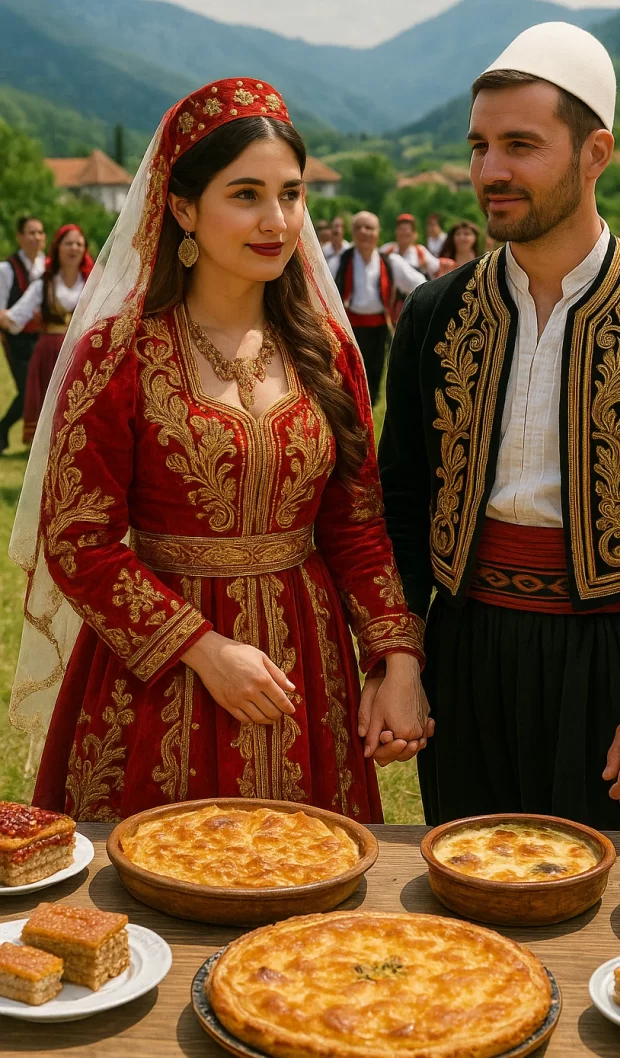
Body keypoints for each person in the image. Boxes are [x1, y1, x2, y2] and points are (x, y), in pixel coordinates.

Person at [379, 22, 620, 834]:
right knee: (476, 913)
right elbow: (400, 507)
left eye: (521, 145)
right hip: (468, 657)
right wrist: (401, 658)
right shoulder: (434, 314)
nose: (491, 171)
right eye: (480, 146)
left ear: (596, 153)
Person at [9, 78, 431, 822]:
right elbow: (81, 543)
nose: (277, 221)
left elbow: (356, 525)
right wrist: (203, 651)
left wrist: (395, 659)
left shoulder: (326, 351)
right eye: (246, 195)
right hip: (160, 684)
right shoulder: (120, 355)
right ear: (180, 209)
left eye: (291, 194)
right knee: (161, 891)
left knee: (309, 910)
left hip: (308, 666)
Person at [0, 225, 93, 444]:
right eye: (68, 243)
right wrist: (6, 317)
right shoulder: (45, 283)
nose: (74, 248)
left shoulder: (92, 282)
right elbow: (16, 317)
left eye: (79, 244)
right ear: (58, 248)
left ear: (84, 249)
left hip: (81, 352)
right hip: (50, 352)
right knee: (50, 404)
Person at [334, 211, 425, 405]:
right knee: (346, 376)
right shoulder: (340, 261)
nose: (364, 232)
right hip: (348, 329)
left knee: (373, 374)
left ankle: (368, 413)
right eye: (358, 228)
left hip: (379, 328)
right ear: (352, 232)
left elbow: (420, 285)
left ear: (378, 233)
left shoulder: (391, 262)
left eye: (369, 228)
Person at [0, 216, 46, 452]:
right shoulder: (6, 269)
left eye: (40, 232)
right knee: (28, 389)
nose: (36, 237)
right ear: (19, 237)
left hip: (42, 337)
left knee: (41, 389)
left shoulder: (48, 266)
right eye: (30, 232)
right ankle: (4, 429)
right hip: (16, 338)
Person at [382, 214, 439, 279]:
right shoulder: (387, 250)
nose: (403, 232)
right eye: (401, 229)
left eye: (407, 229)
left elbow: (438, 268)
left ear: (414, 234)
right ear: (396, 232)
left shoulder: (420, 252)